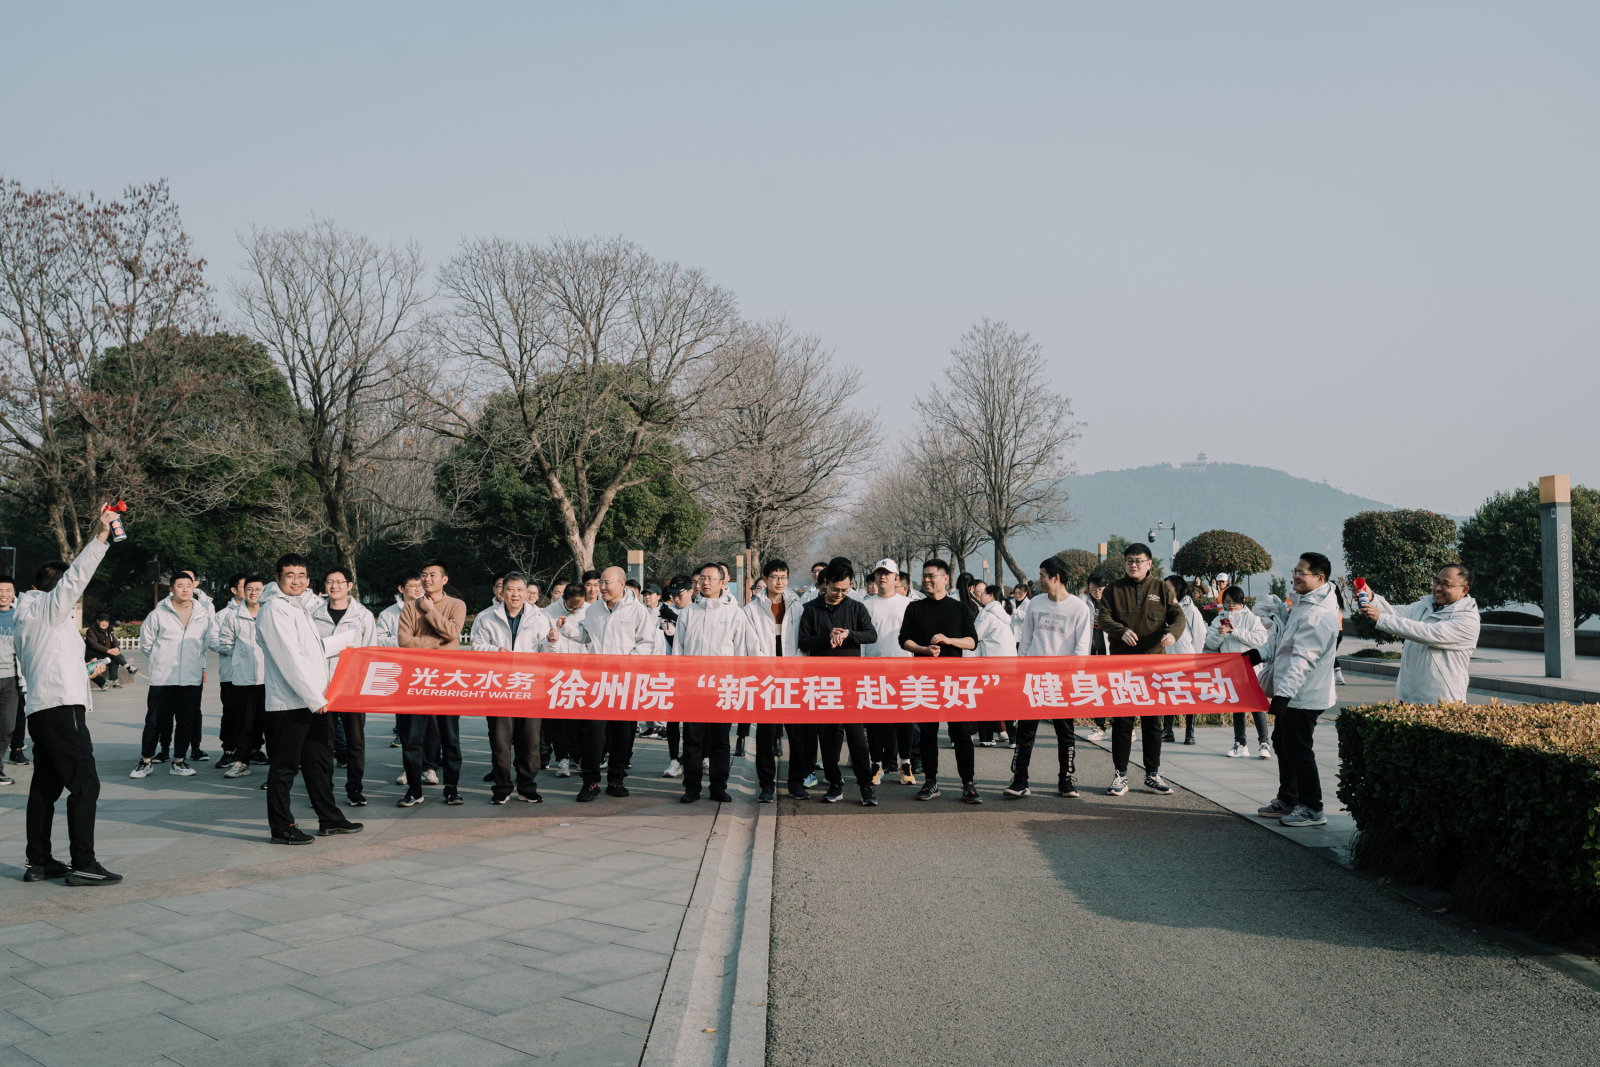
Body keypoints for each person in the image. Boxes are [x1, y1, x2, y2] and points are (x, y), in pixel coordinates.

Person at [16, 506, 118, 885]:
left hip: (42, 709)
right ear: (54, 590)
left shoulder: (27, 617)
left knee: (46, 786)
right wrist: (102, 537)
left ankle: (39, 861)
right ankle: (84, 864)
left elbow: (53, 661)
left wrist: (87, 674)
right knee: (85, 783)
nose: (74, 603)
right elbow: (75, 578)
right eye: (70, 598)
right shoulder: (47, 608)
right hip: (60, 708)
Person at [257, 555, 364, 844]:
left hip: (313, 700)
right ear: (277, 577)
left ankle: (329, 818)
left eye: (302, 575)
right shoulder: (274, 609)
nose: (297, 580)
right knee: (285, 767)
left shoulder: (298, 605)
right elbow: (289, 659)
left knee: (318, 764)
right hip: (290, 704)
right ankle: (282, 827)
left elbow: (307, 650)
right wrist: (314, 698)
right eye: (290, 575)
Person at [1256, 553, 1342, 828]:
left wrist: (1283, 696)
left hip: (1303, 695)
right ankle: (1289, 799)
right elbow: (1284, 642)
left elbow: (1302, 660)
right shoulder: (1303, 604)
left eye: (1301, 572)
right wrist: (1258, 654)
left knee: (1299, 750)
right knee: (1283, 744)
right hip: (1292, 692)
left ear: (1320, 578)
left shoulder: (1319, 615)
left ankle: (1313, 808)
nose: (1295, 576)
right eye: (1295, 570)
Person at [1095, 543, 1184, 797]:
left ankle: (1152, 775)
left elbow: (1178, 616)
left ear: (1149, 564)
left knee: (1152, 723)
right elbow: (1103, 618)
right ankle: (1120, 776)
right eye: (1129, 561)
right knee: (1122, 722)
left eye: (1139, 561)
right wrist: (1121, 631)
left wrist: (1172, 633)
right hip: (1122, 666)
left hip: (1153, 667)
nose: (1133, 565)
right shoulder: (1113, 589)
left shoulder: (1161, 588)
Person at [563, 566, 659, 802]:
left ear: (622, 584)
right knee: (594, 732)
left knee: (623, 734)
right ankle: (590, 780)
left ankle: (616, 778)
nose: (601, 587)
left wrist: (625, 664)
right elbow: (586, 635)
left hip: (626, 681)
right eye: (600, 583)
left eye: (606, 583)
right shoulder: (594, 609)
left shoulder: (637, 610)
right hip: (599, 681)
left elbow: (646, 644)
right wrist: (565, 628)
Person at [672, 562, 764, 803]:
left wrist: (740, 685)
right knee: (692, 740)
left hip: (723, 688)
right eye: (702, 578)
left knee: (721, 741)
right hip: (693, 688)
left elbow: (742, 652)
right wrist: (679, 683)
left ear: (723, 582)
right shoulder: (688, 613)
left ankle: (718, 787)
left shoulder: (734, 614)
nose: (705, 582)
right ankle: (692, 787)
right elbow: (678, 651)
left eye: (711, 578)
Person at [1007, 555, 1094, 799]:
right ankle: (1020, 779)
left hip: (1062, 681)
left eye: (1042, 575)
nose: (1039, 580)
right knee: (1025, 731)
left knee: (1065, 732)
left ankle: (1065, 779)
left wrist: (1072, 679)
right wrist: (1021, 673)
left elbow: (1082, 648)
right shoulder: (1035, 603)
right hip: (1033, 679)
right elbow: (1025, 642)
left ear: (1056, 578)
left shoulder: (1079, 607)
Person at [797, 560, 879, 806]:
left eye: (845, 589)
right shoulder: (810, 609)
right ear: (825, 582)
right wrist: (827, 637)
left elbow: (871, 634)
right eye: (835, 589)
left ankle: (866, 785)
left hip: (851, 681)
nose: (840, 594)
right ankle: (834, 783)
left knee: (857, 736)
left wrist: (849, 634)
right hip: (822, 682)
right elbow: (804, 642)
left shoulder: (856, 607)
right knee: (828, 736)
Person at [900, 559, 982, 804]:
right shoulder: (914, 608)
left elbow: (972, 642)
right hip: (924, 680)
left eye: (931, 576)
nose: (926, 580)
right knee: (928, 734)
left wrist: (949, 640)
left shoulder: (960, 608)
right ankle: (931, 781)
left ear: (945, 579)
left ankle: (968, 784)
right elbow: (904, 640)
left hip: (954, 681)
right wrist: (924, 650)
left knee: (961, 733)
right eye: (924, 576)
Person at [396, 559, 468, 808]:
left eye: (432, 575)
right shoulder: (409, 607)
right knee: (413, 739)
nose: (427, 579)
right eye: (424, 575)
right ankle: (415, 790)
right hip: (417, 680)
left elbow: (453, 632)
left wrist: (430, 611)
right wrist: (438, 642)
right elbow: (404, 641)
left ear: (444, 579)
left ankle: (452, 789)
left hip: (448, 680)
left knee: (451, 738)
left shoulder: (456, 605)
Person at [1358, 565, 1481, 704]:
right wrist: (1372, 598)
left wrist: (1381, 618)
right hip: (1407, 698)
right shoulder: (1425, 606)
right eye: (1436, 582)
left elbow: (1427, 633)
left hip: (1441, 703)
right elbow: (1394, 613)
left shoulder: (1468, 619)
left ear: (1464, 590)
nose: (1438, 588)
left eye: (1445, 584)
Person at [471, 571, 543, 804]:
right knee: (501, 742)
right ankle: (502, 788)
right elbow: (476, 646)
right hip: (498, 687)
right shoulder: (486, 617)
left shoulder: (539, 617)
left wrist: (553, 642)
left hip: (529, 686)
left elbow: (548, 653)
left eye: (520, 590)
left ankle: (527, 787)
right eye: (510, 589)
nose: (515, 594)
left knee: (529, 741)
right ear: (502, 591)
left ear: (526, 592)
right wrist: (495, 651)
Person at [132, 573, 213, 779]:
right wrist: (161, 660)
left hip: (190, 678)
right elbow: (146, 644)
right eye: (180, 585)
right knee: (154, 721)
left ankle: (179, 761)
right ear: (171, 589)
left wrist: (193, 662)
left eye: (188, 585)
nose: (185, 589)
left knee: (185, 722)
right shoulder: (158, 614)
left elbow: (204, 643)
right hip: (163, 678)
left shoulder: (202, 614)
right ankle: (146, 761)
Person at [311, 567, 377, 806]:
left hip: (352, 688)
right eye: (330, 582)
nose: (334, 586)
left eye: (339, 582)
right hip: (324, 687)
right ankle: (323, 792)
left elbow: (371, 652)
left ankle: (355, 789)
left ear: (350, 585)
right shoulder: (313, 614)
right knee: (323, 743)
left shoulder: (363, 615)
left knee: (355, 742)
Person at [743, 559, 800, 803]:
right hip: (766, 679)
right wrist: (767, 672)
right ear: (765, 579)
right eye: (775, 577)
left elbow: (801, 643)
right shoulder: (751, 609)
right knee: (765, 735)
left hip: (792, 677)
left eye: (784, 577)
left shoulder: (796, 606)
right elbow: (751, 645)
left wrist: (794, 670)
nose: (780, 582)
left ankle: (796, 782)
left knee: (796, 734)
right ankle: (766, 783)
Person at [862, 559, 916, 784]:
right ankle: (876, 765)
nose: (883, 576)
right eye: (879, 573)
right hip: (873, 670)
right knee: (875, 721)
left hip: (904, 670)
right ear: (874, 577)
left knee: (904, 720)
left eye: (888, 573)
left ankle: (906, 764)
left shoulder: (909, 605)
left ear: (897, 578)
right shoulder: (865, 605)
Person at [1205, 585, 1271, 758]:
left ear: (1243, 601)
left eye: (1234, 602)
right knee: (1238, 707)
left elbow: (1261, 639)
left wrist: (1235, 632)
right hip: (1231, 670)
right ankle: (1240, 744)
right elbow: (1210, 643)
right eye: (1227, 602)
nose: (1230, 605)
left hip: (1250, 668)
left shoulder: (1252, 618)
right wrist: (1219, 634)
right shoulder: (1219, 618)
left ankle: (1264, 743)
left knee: (1256, 706)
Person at [212, 577, 267, 777]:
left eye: (258, 589)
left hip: (268, 678)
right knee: (242, 722)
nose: (253, 592)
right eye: (249, 589)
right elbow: (225, 643)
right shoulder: (232, 616)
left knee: (270, 723)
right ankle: (241, 761)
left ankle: (276, 763)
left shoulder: (271, 613)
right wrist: (241, 656)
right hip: (242, 678)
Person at [541, 580, 591, 779]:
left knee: (579, 719)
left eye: (579, 606)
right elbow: (542, 643)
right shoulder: (547, 613)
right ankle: (562, 759)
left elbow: (591, 641)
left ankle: (577, 756)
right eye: (571, 606)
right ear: (563, 598)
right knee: (558, 720)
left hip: (582, 671)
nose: (575, 610)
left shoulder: (590, 611)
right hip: (557, 672)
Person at [1161, 573, 1208, 746]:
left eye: (1169, 588)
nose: (1165, 591)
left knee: (1189, 694)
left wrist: (1194, 656)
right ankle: (1168, 730)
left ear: (1179, 589)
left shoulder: (1191, 609)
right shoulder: (1162, 607)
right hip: (1167, 657)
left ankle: (1190, 732)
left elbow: (1200, 635)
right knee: (1168, 693)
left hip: (1186, 658)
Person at [971, 578, 1016, 747]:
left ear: (990, 596)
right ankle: (1013, 738)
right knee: (1007, 700)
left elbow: (976, 635)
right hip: (1007, 662)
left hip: (991, 663)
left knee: (987, 699)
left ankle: (986, 737)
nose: (980, 596)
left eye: (983, 593)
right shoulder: (1002, 613)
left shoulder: (987, 613)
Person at [1080, 574, 1110, 740]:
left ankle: (1126, 727)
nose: (1097, 593)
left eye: (1100, 589)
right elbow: (1076, 611)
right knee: (1096, 689)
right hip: (1091, 651)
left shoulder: (1112, 600)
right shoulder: (1085, 602)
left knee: (1113, 688)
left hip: (1108, 651)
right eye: (1093, 590)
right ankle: (1100, 726)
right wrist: (1083, 595)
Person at [0, 577, 21, 787]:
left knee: (7, 727)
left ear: (14, 593)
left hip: (10, 680)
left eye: (8, 590)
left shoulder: (19, 617)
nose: (3, 594)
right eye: (0, 590)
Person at [85, 613, 135, 690]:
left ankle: (114, 681)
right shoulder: (91, 631)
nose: (105, 624)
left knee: (114, 658)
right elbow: (94, 644)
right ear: (97, 621)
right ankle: (128, 668)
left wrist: (116, 649)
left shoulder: (109, 630)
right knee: (113, 656)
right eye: (103, 621)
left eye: (106, 622)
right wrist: (109, 651)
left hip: (103, 653)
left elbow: (114, 640)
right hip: (93, 655)